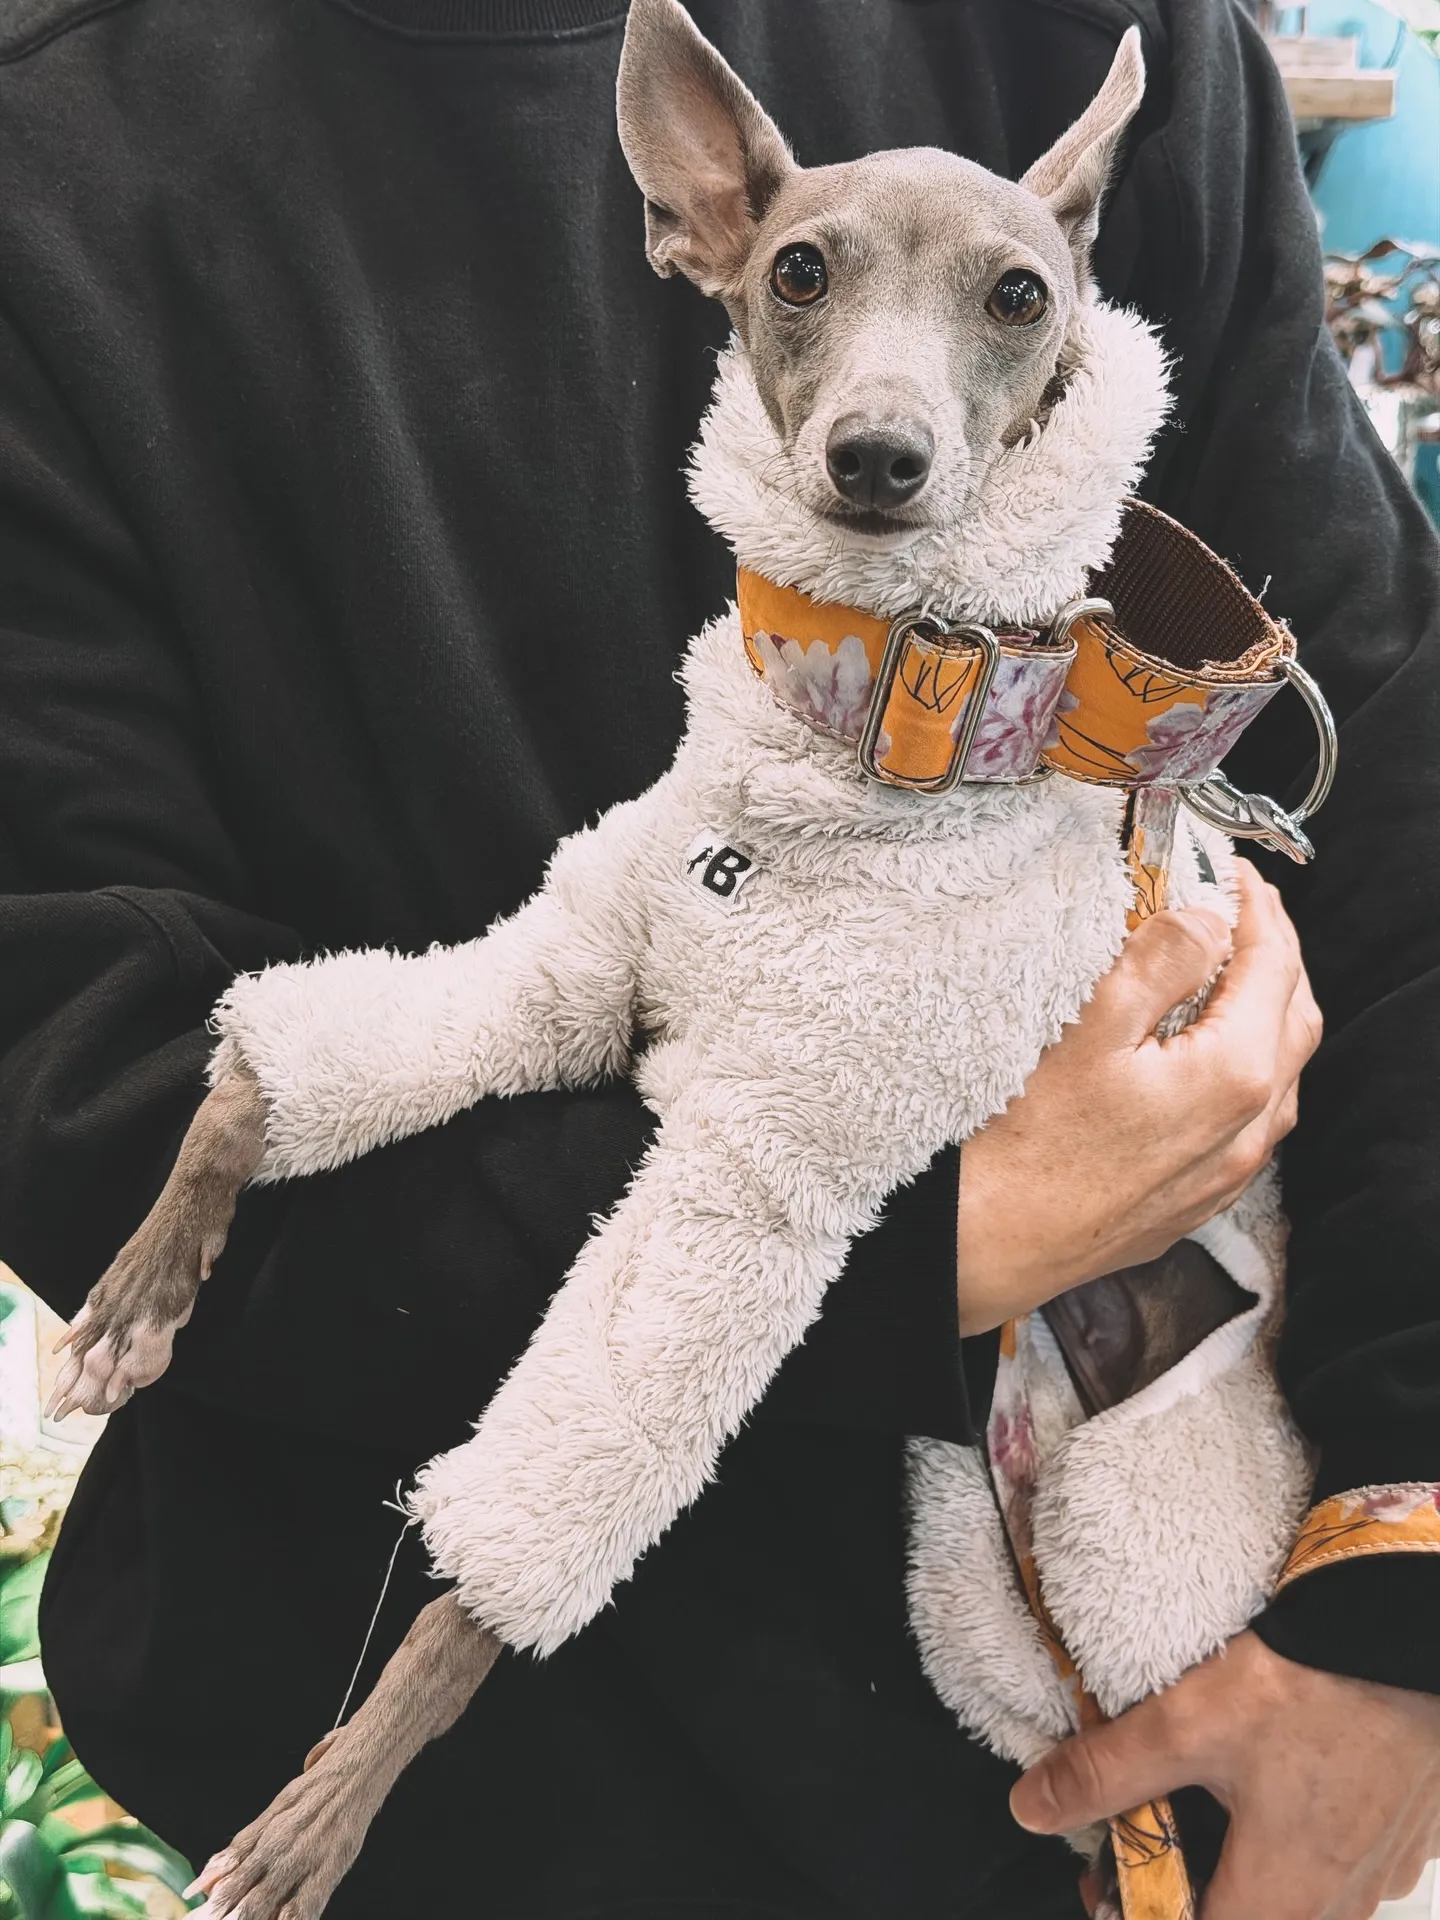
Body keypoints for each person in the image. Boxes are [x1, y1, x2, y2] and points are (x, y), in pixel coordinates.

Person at [0, 0, 1436, 1915]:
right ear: (707, 232)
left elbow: (1387, 759)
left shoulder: (1096, 36)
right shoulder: (59, 159)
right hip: (434, 1777)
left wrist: (1401, 1595)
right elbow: (71, 1059)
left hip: (1127, 1752)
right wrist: (901, 1230)